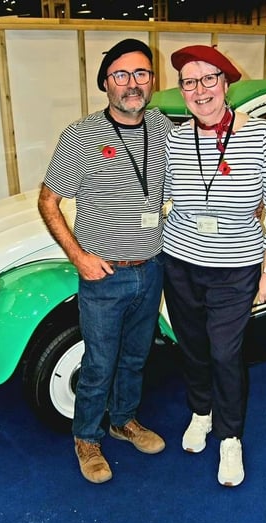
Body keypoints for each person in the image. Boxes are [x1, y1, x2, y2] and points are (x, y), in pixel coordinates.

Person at [38, 38, 174, 484]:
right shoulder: (81, 136)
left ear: (152, 81)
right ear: (106, 84)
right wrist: (78, 256)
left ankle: (123, 421)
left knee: (136, 357)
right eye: (121, 75)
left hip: (150, 268)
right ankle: (87, 438)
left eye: (141, 74)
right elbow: (48, 201)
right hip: (104, 276)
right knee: (99, 363)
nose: (132, 84)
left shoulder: (163, 127)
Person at [162, 44, 266, 487]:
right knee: (193, 347)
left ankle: (230, 438)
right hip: (179, 262)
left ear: (225, 84)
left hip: (236, 268)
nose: (199, 90)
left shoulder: (261, 137)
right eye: (189, 82)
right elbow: (154, 196)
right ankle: (201, 412)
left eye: (208, 79)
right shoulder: (176, 138)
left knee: (225, 352)